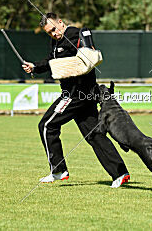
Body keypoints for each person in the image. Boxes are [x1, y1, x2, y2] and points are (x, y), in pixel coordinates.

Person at [22, 13, 130, 188]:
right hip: (83, 96)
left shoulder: (74, 34)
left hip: (75, 95)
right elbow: (51, 60)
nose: (53, 34)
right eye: (49, 32)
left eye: (54, 29)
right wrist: (35, 66)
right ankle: (120, 173)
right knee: (94, 135)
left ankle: (58, 170)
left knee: (47, 125)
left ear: (61, 22)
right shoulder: (55, 41)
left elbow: (89, 55)